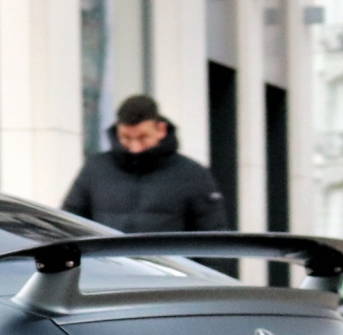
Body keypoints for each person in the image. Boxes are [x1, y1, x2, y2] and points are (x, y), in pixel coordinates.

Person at [61, 95, 229, 234]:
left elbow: (213, 234)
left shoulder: (193, 174)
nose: (135, 147)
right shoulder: (95, 168)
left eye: (143, 138)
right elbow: (68, 225)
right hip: (108, 271)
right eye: (126, 138)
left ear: (161, 130)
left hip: (168, 273)